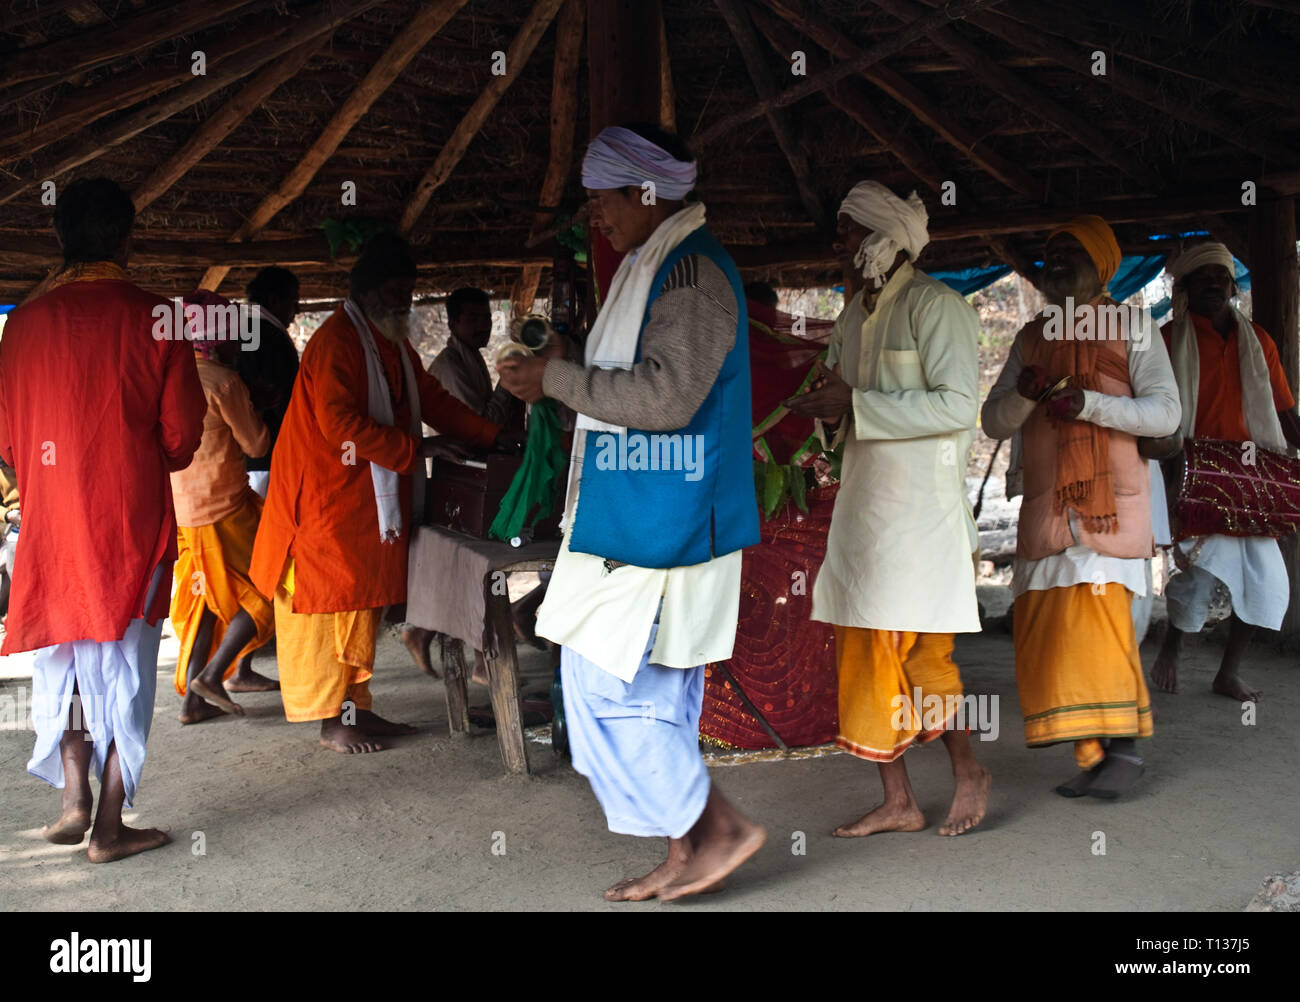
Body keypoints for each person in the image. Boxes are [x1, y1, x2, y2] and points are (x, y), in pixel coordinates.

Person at [498, 123, 765, 902]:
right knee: (649, 691)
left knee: (607, 682)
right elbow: (634, 375)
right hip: (641, 513)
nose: (595, 217)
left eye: (602, 198)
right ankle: (687, 849)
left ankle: (719, 831)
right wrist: (563, 363)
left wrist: (557, 381)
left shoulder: (692, 276)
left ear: (646, 191)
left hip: (669, 522)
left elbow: (666, 396)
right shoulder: (656, 266)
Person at [0, 177, 205, 860]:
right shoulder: (160, 320)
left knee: (66, 662)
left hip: (51, 531)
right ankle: (111, 828)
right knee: (128, 670)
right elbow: (181, 439)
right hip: (129, 529)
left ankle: (73, 801)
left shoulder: (23, 325)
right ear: (127, 238)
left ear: (59, 241)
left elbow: (7, 444)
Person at [249, 232, 511, 754]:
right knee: (334, 607)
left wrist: (492, 437)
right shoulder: (335, 343)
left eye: (409, 292)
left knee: (361, 609)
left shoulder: (389, 342)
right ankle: (332, 722)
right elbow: (340, 425)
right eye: (394, 291)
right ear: (365, 293)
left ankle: (358, 712)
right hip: (323, 502)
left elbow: (433, 399)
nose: (403, 302)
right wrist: (418, 450)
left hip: (361, 503)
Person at [786, 180, 990, 838]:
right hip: (866, 511)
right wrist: (825, 410)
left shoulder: (939, 308)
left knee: (924, 656)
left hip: (922, 519)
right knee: (864, 650)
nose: (839, 242)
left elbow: (960, 407)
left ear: (881, 237)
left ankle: (969, 774)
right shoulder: (853, 316)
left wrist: (856, 405)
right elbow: (844, 402)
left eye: (848, 229)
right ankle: (899, 799)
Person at [982, 215, 1180, 799]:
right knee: (1050, 633)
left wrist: (1088, 403)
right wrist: (1024, 397)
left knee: (1102, 628)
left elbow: (1166, 414)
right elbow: (993, 420)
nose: (1058, 262)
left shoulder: (1133, 326)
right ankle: (1093, 754)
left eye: (1072, 252)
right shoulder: (1030, 336)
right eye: (1051, 254)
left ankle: (1124, 753)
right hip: (1048, 510)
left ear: (1104, 265)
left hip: (1111, 509)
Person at [1151, 241, 1300, 701]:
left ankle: (1227, 672)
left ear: (1233, 287)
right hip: (1192, 470)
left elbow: (1283, 411)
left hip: (1253, 477)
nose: (1213, 284)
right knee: (1197, 572)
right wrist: (1167, 474)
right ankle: (1172, 648)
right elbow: (1155, 415)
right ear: (1184, 288)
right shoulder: (1167, 339)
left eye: (1221, 278)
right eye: (1203, 278)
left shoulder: (1258, 341)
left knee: (1267, 579)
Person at [170, 290, 278, 725]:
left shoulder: (169, 378)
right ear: (220, 341)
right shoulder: (223, 381)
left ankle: (193, 703)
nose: (240, 344)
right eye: (235, 336)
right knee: (272, 585)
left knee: (206, 605)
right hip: (226, 508)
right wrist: (259, 409)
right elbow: (257, 443)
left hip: (183, 513)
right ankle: (214, 676)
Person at [237, 266, 300, 498]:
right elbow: (285, 401)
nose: (297, 311)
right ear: (275, 300)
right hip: (269, 451)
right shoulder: (270, 337)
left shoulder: (241, 329)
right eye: (294, 302)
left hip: (243, 454)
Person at [429, 287, 522, 426]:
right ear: (452, 325)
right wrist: (507, 378)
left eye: (487, 318)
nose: (483, 326)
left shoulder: (471, 355)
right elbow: (481, 426)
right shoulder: (449, 367)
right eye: (473, 319)